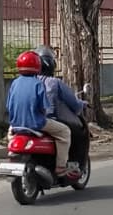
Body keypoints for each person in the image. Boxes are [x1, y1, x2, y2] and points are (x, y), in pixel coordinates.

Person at [6, 50, 77, 179]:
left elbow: (9, 106)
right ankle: (61, 167)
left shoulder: (14, 83)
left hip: (15, 124)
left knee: (10, 136)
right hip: (36, 123)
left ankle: (12, 154)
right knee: (65, 132)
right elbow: (44, 108)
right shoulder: (38, 84)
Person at [34, 46, 87, 174]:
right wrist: (82, 104)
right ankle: (61, 166)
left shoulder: (25, 82)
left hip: (22, 121)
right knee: (66, 132)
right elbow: (73, 103)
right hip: (46, 120)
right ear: (51, 64)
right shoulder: (54, 83)